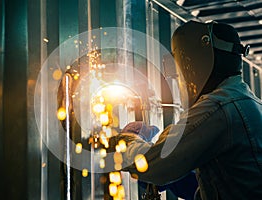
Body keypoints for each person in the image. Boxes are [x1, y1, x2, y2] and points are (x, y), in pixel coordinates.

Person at [112, 20, 262, 199]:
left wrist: (126, 140)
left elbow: (152, 165)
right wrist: (182, 181)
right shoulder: (250, 102)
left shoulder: (218, 107)